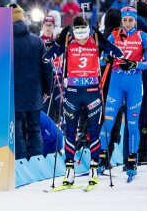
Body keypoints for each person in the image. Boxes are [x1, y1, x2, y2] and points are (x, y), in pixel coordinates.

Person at [45, 16, 122, 186]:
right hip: (72, 91)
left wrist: (105, 44)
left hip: (92, 91)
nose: (81, 40)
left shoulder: (95, 39)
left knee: (93, 131)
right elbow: (48, 56)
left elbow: (117, 52)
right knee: (70, 132)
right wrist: (60, 39)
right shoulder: (68, 41)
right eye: (78, 35)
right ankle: (69, 170)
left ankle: (94, 168)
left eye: (84, 35)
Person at [100, 6, 147, 180]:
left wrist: (135, 65)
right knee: (108, 121)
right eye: (125, 20)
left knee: (132, 123)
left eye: (131, 20)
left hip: (135, 83)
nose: (128, 24)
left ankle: (131, 160)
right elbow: (103, 58)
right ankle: (102, 158)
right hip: (116, 82)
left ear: (135, 20)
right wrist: (106, 59)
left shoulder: (143, 36)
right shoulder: (114, 35)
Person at [12, 5, 53, 160]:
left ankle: (20, 160)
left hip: (13, 93)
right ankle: (36, 160)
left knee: (16, 129)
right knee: (34, 128)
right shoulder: (37, 41)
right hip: (34, 91)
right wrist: (47, 90)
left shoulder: (5, 43)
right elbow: (47, 67)